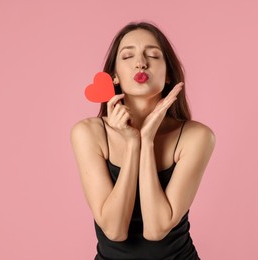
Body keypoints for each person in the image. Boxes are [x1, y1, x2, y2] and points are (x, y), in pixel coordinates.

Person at [71, 21, 216, 260]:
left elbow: (157, 229)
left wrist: (147, 141)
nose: (141, 62)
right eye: (128, 56)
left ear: (168, 74)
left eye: (153, 55)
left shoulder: (196, 137)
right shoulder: (88, 133)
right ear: (114, 76)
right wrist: (132, 144)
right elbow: (114, 230)